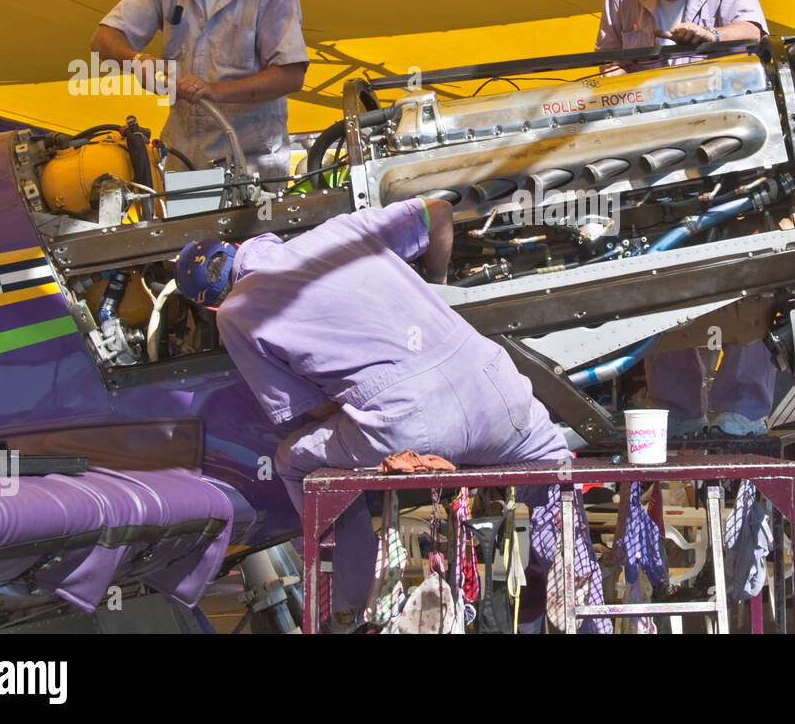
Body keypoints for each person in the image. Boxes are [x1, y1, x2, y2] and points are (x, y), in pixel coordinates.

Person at [175, 198, 569, 623]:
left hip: (409, 419)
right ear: (237, 248)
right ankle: (561, 574)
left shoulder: (234, 313)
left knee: (295, 463)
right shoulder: (338, 230)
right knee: (551, 463)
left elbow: (309, 410)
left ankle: (352, 607)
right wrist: (435, 285)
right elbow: (437, 211)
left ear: (210, 305)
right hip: (498, 386)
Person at [595, 0, 774, 436]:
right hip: (652, 154)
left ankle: (740, 408)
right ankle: (677, 410)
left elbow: (753, 31)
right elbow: (605, 60)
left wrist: (710, 38)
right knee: (658, 269)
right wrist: (623, 92)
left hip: (727, 148)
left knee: (748, 269)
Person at [91, 0, 309, 184]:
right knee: (188, 230)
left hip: (251, 162)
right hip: (184, 161)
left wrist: (214, 92)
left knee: (252, 232)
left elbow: (291, 75)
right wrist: (137, 60)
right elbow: (102, 39)